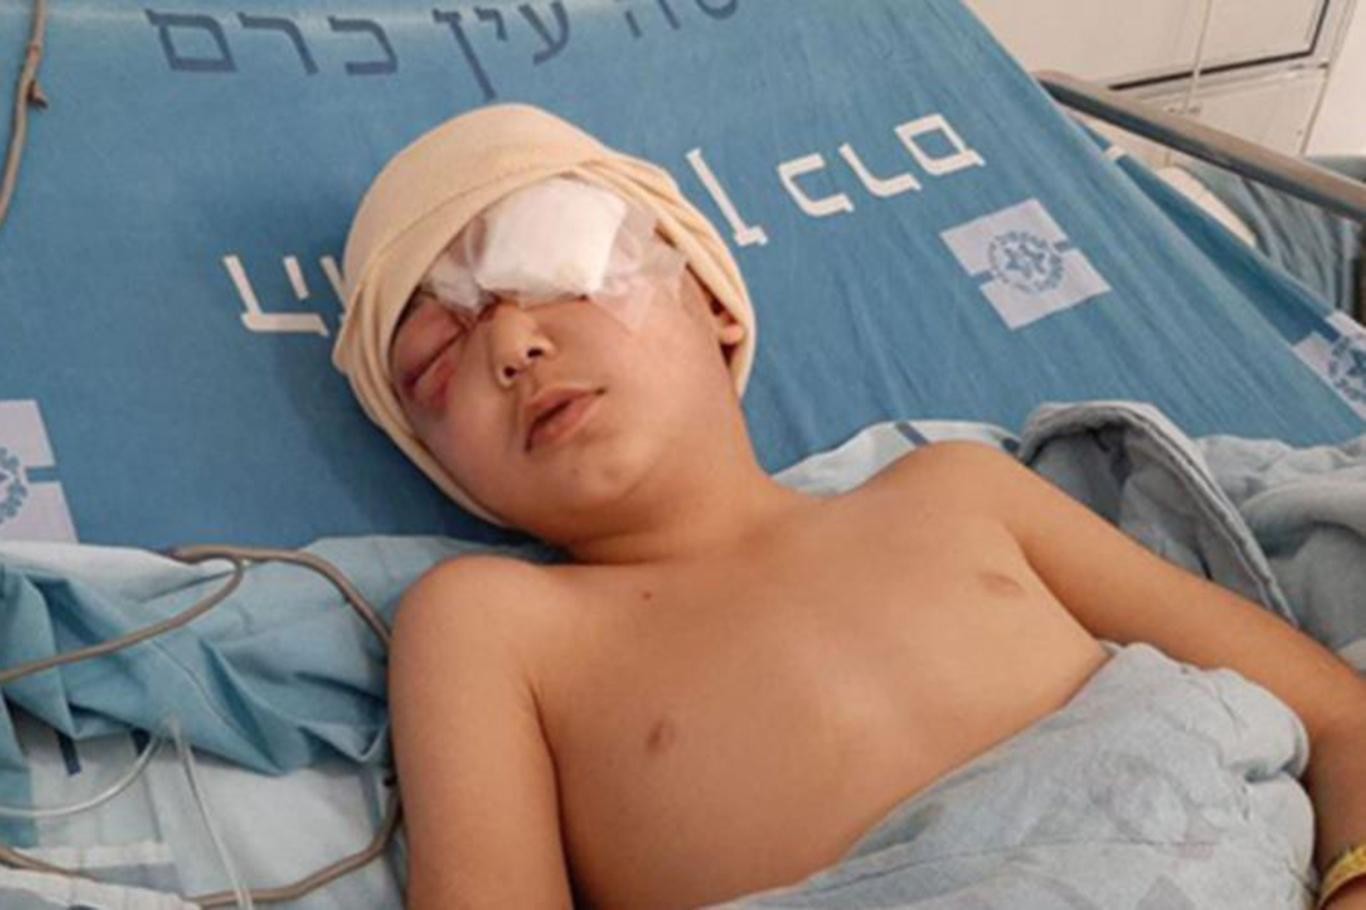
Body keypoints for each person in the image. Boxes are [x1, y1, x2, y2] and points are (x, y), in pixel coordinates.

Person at [332, 104, 1366, 910]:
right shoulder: (491, 624)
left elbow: (1335, 717)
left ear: (714, 301)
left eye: (557, 267)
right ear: (445, 468)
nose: (512, 345)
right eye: (434, 362)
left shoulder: (959, 489)